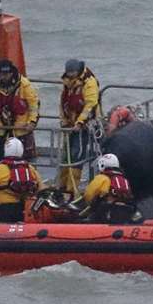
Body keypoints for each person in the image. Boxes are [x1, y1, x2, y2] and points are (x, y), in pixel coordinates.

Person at [57, 59, 101, 197]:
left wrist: (80, 122)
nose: (71, 75)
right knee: (66, 156)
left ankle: (72, 189)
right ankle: (62, 186)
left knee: (77, 156)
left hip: (84, 126)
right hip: (70, 125)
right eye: (69, 72)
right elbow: (62, 103)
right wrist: (63, 121)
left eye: (73, 72)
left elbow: (90, 104)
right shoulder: (68, 82)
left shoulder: (89, 82)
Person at [0, 137, 43, 222]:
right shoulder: (30, 169)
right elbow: (41, 189)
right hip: (24, 210)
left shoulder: (0, 169)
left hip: (3, 210)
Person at [77, 153, 137, 224]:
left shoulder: (102, 178)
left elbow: (89, 195)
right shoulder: (124, 180)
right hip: (125, 212)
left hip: (105, 212)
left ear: (102, 164)